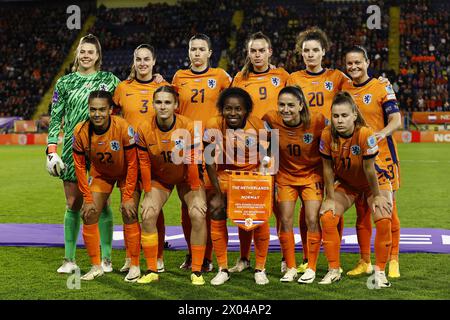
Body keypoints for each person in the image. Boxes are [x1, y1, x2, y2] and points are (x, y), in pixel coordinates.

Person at [46, 34, 120, 274]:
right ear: (77, 54)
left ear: (98, 56)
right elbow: (56, 118)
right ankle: (69, 260)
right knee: (73, 203)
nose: (86, 55)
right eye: (83, 51)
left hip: (102, 147)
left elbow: (128, 97)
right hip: (71, 148)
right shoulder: (64, 83)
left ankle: (106, 259)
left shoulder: (109, 80)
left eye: (91, 52)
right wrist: (51, 150)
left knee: (104, 204)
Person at [287, 27, 350, 274]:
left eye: (315, 50)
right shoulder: (293, 79)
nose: (310, 54)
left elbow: (358, 85)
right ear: (301, 54)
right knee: (308, 209)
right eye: (306, 51)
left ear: (324, 52)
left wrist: (382, 82)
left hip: (332, 150)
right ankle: (306, 255)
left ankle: (335, 254)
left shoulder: (337, 78)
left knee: (333, 203)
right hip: (303, 153)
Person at [319, 92, 393, 288]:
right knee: (327, 216)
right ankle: (334, 270)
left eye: (344, 116)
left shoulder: (365, 134)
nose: (340, 120)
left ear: (354, 115)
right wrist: (329, 197)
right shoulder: (327, 135)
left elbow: (370, 170)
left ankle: (379, 272)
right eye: (336, 116)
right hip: (348, 183)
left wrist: (377, 196)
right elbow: (327, 168)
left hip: (374, 183)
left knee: (384, 217)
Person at [136, 86, 208, 285]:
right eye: (158, 102)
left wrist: (195, 191)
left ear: (176, 105)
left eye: (167, 102)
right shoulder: (144, 128)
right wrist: (148, 191)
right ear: (153, 104)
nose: (162, 106)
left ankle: (197, 270)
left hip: (186, 176)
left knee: (197, 213)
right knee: (148, 213)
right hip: (161, 178)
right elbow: (144, 163)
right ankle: (152, 269)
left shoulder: (188, 126)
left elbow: (193, 161)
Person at [230, 31, 289, 273]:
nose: (257, 55)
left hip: (275, 146)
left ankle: (287, 259)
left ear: (269, 52)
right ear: (248, 52)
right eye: (253, 50)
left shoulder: (282, 75)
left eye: (261, 50)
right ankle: (244, 259)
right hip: (248, 149)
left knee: (277, 204)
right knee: (247, 202)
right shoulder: (240, 78)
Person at [172, 33, 232, 272]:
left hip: (212, 147)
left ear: (209, 53)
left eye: (201, 49)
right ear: (188, 52)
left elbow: (236, 103)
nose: (197, 53)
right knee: (187, 206)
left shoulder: (220, 76)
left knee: (210, 203)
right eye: (193, 49)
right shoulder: (179, 77)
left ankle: (209, 257)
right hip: (185, 146)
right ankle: (191, 252)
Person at [342, 46, 402, 278]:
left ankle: (393, 259)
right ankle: (365, 260)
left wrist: (381, 133)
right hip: (357, 160)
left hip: (384, 157)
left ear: (367, 61)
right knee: (362, 211)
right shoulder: (344, 87)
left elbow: (396, 120)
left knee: (388, 209)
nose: (354, 67)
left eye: (358, 62)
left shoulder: (381, 86)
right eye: (350, 63)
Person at [203, 87, 271, 285]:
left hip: (252, 176)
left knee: (260, 214)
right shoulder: (213, 125)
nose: (233, 113)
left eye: (238, 109)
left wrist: (261, 180)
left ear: (246, 110)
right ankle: (223, 268)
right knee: (216, 207)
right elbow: (208, 160)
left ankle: (260, 268)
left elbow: (269, 153)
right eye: (228, 109)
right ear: (221, 110)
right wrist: (217, 191)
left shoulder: (258, 125)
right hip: (226, 176)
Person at [113, 44, 169, 274]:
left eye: (147, 59)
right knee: (128, 208)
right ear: (133, 61)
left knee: (152, 208)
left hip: (155, 157)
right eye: (138, 59)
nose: (143, 63)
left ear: (154, 61)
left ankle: (158, 256)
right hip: (128, 158)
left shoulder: (163, 87)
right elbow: (113, 118)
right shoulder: (122, 88)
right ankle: (130, 255)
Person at [72, 90, 138, 281]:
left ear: (110, 110)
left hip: (126, 173)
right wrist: (87, 197)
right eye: (93, 110)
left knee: (129, 211)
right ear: (88, 110)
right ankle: (96, 266)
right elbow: (79, 166)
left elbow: (133, 163)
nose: (97, 114)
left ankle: (134, 264)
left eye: (102, 109)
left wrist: (126, 197)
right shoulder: (81, 131)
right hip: (101, 174)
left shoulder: (123, 127)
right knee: (88, 212)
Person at [262, 86, 326, 283]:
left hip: (311, 176)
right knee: (285, 221)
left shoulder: (318, 121)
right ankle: (290, 267)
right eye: (282, 105)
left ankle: (311, 268)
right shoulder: (270, 120)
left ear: (300, 106)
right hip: (285, 177)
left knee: (312, 219)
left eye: (291, 105)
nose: (286, 109)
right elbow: (265, 147)